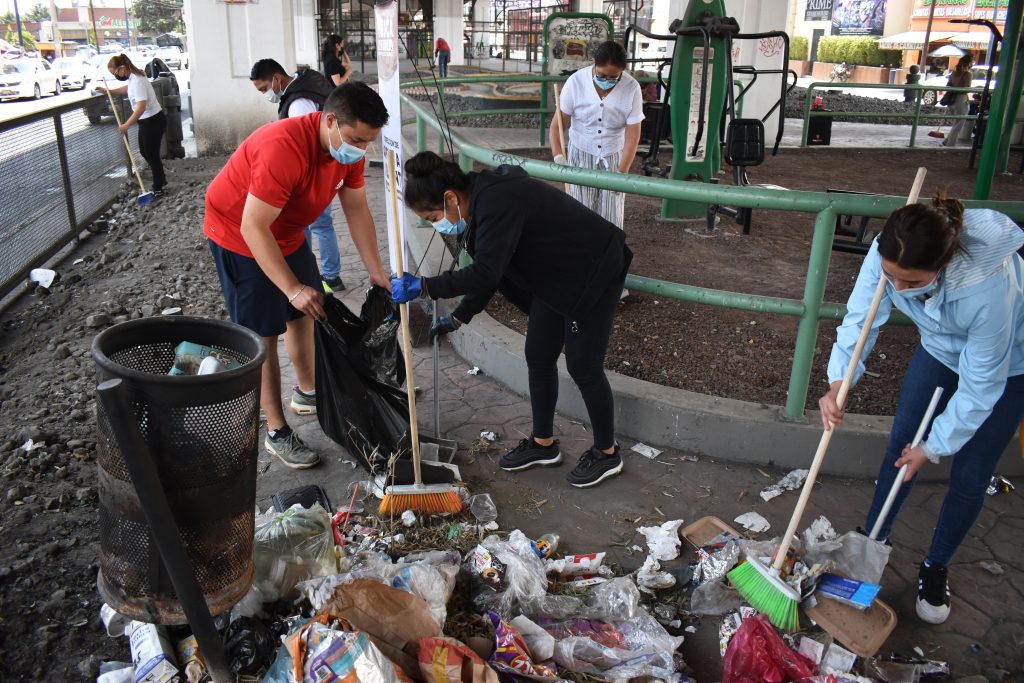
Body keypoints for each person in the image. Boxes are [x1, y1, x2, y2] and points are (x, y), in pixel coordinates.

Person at [819, 194, 1024, 626]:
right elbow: (861, 317)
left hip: (1010, 365)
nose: (896, 289)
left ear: (943, 266)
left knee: (971, 472)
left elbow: (981, 384)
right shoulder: (888, 252)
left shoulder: (987, 289)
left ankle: (935, 565)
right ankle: (873, 536)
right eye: (891, 277)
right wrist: (840, 382)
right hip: (939, 348)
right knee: (901, 444)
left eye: (911, 284)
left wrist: (934, 447)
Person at [391, 152, 633, 488]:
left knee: (583, 366)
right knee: (538, 355)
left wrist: (427, 287)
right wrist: (460, 316)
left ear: (450, 197)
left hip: (592, 268)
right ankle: (543, 444)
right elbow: (493, 273)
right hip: (553, 278)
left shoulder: (498, 201)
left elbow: (486, 271)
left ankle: (608, 452)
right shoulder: (477, 209)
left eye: (433, 216)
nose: (437, 225)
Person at [204, 82, 391, 469]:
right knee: (263, 336)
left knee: (309, 312)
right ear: (330, 121)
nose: (360, 150)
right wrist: (290, 288)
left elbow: (356, 209)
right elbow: (254, 227)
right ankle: (276, 431)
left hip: (288, 234)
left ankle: (308, 391)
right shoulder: (282, 148)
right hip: (239, 234)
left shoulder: (348, 149)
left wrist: (377, 273)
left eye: (368, 142)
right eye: (357, 139)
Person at [250, 58, 346, 291]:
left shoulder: (297, 103)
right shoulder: (307, 82)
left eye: (264, 88)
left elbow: (302, 146)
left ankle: (314, 275)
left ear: (277, 79)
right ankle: (331, 275)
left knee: (311, 226)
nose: (265, 94)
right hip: (324, 169)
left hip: (311, 176)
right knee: (323, 225)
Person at [548, 40, 644, 231]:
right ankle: (579, 256)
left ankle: (607, 257)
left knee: (611, 218)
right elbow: (557, 125)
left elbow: (633, 134)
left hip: (614, 154)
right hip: (581, 151)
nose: (607, 81)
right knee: (579, 213)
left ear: (623, 71)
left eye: (614, 77)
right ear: (593, 62)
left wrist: (622, 171)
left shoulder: (632, 87)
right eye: (602, 75)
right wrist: (559, 157)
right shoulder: (575, 82)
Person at [96, 54, 167, 195]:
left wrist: (126, 125)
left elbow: (141, 107)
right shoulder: (133, 78)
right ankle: (160, 178)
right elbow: (127, 89)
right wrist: (109, 91)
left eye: (115, 73)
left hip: (153, 120)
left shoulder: (138, 80)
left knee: (151, 154)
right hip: (147, 121)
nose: (116, 75)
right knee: (144, 151)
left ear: (122, 68)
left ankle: (158, 186)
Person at [942, 56, 973, 147]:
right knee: (960, 121)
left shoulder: (953, 73)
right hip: (961, 98)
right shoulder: (967, 74)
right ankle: (950, 142)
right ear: (969, 63)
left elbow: (948, 85)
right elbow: (967, 88)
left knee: (957, 121)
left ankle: (948, 140)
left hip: (952, 99)